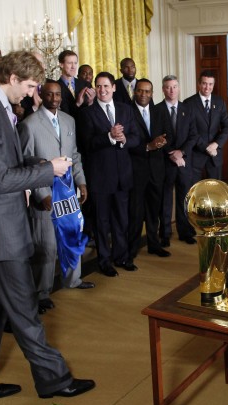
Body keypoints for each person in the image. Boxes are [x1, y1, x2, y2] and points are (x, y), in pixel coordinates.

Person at [0, 50, 95, 400]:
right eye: (33, 86)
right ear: (14, 78)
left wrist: (41, 162)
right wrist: (49, 171)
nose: (33, 94)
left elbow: (9, 162)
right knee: (25, 311)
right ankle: (54, 379)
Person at [18, 80, 95, 314]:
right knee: (47, 247)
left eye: (58, 94)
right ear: (40, 95)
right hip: (46, 195)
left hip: (69, 192)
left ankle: (73, 279)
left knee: (73, 236)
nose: (54, 98)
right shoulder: (29, 125)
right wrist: (41, 193)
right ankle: (41, 293)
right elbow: (26, 163)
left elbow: (74, 155)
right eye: (49, 94)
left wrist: (81, 182)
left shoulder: (68, 120)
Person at [79, 71, 140, 277]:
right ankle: (104, 261)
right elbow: (87, 144)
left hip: (123, 176)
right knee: (102, 223)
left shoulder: (126, 109)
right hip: (100, 178)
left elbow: (136, 138)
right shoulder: (88, 113)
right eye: (98, 86)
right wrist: (109, 136)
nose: (102, 90)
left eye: (106, 86)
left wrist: (123, 139)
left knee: (121, 220)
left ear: (114, 87)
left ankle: (121, 256)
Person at [128, 78, 171, 259]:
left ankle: (153, 244)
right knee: (136, 212)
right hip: (136, 170)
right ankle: (131, 249)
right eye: (140, 91)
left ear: (152, 94)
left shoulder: (158, 111)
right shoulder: (126, 111)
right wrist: (148, 146)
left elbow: (167, 133)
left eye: (147, 91)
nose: (143, 94)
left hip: (156, 169)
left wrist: (162, 141)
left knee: (154, 210)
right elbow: (127, 142)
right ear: (134, 92)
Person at [155, 75, 198, 246]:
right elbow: (155, 136)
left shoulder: (187, 109)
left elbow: (193, 135)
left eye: (174, 86)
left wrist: (182, 152)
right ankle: (165, 233)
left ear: (178, 88)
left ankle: (184, 231)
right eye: (168, 87)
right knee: (165, 200)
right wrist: (171, 154)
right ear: (163, 89)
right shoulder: (157, 110)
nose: (171, 90)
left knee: (184, 199)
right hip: (165, 163)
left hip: (184, 162)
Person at [185, 70, 228, 182]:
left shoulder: (219, 102)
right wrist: (205, 147)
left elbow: (226, 127)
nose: (207, 87)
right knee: (194, 191)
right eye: (204, 83)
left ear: (213, 85)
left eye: (210, 84)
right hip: (196, 154)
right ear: (199, 84)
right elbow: (189, 130)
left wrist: (216, 144)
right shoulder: (188, 103)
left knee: (215, 191)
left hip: (215, 154)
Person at [57, 50, 95, 120]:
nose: (73, 67)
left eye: (75, 63)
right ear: (61, 64)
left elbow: (94, 113)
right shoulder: (56, 87)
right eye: (69, 63)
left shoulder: (86, 85)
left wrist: (91, 102)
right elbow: (62, 115)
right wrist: (77, 104)